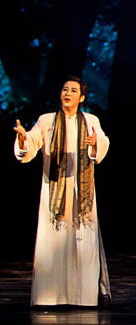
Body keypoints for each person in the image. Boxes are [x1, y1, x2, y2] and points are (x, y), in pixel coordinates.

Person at [13, 76, 112, 307]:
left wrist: (95, 143)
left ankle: (83, 297)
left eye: (73, 90)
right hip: (54, 190)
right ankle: (49, 297)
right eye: (65, 89)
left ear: (82, 97)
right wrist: (23, 139)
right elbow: (31, 144)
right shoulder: (47, 120)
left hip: (82, 192)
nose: (68, 93)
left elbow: (103, 144)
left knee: (82, 241)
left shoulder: (90, 120)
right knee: (53, 241)